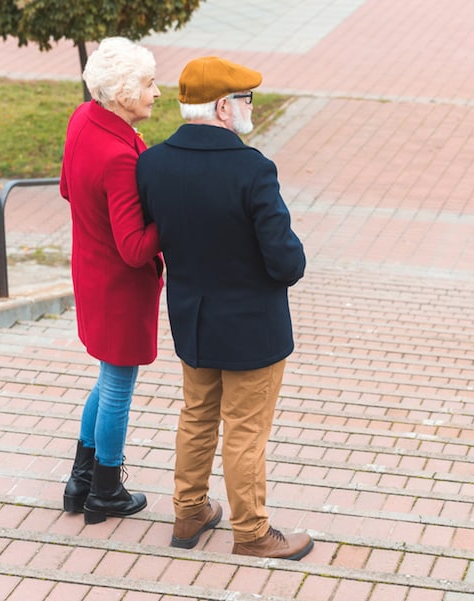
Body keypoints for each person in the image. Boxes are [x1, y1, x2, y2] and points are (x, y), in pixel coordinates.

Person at [136, 56, 312, 560]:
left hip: (192, 318)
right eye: (244, 99)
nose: (249, 107)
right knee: (245, 430)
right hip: (252, 327)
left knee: (196, 417)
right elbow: (286, 262)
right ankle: (252, 532)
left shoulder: (153, 163)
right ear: (221, 107)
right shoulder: (252, 169)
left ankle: (189, 511)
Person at [59, 37, 163, 525]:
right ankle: (105, 490)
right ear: (122, 93)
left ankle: (79, 482)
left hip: (91, 271)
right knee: (118, 385)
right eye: (148, 83)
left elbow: (67, 188)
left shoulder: (83, 119)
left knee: (106, 379)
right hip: (120, 287)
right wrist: (170, 215)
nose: (156, 92)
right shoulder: (120, 157)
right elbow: (136, 248)